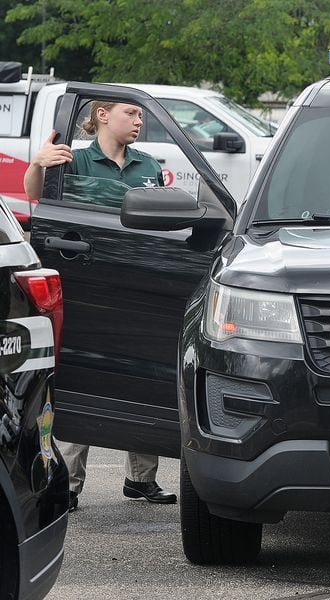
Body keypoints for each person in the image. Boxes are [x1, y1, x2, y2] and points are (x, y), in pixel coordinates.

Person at [23, 101, 177, 511]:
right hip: (89, 282)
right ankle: (70, 484)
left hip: (136, 282)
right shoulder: (71, 159)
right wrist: (38, 164)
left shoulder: (148, 166)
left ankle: (142, 479)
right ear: (103, 115)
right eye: (132, 113)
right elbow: (36, 196)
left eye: (141, 115)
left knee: (143, 372)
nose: (140, 121)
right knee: (89, 375)